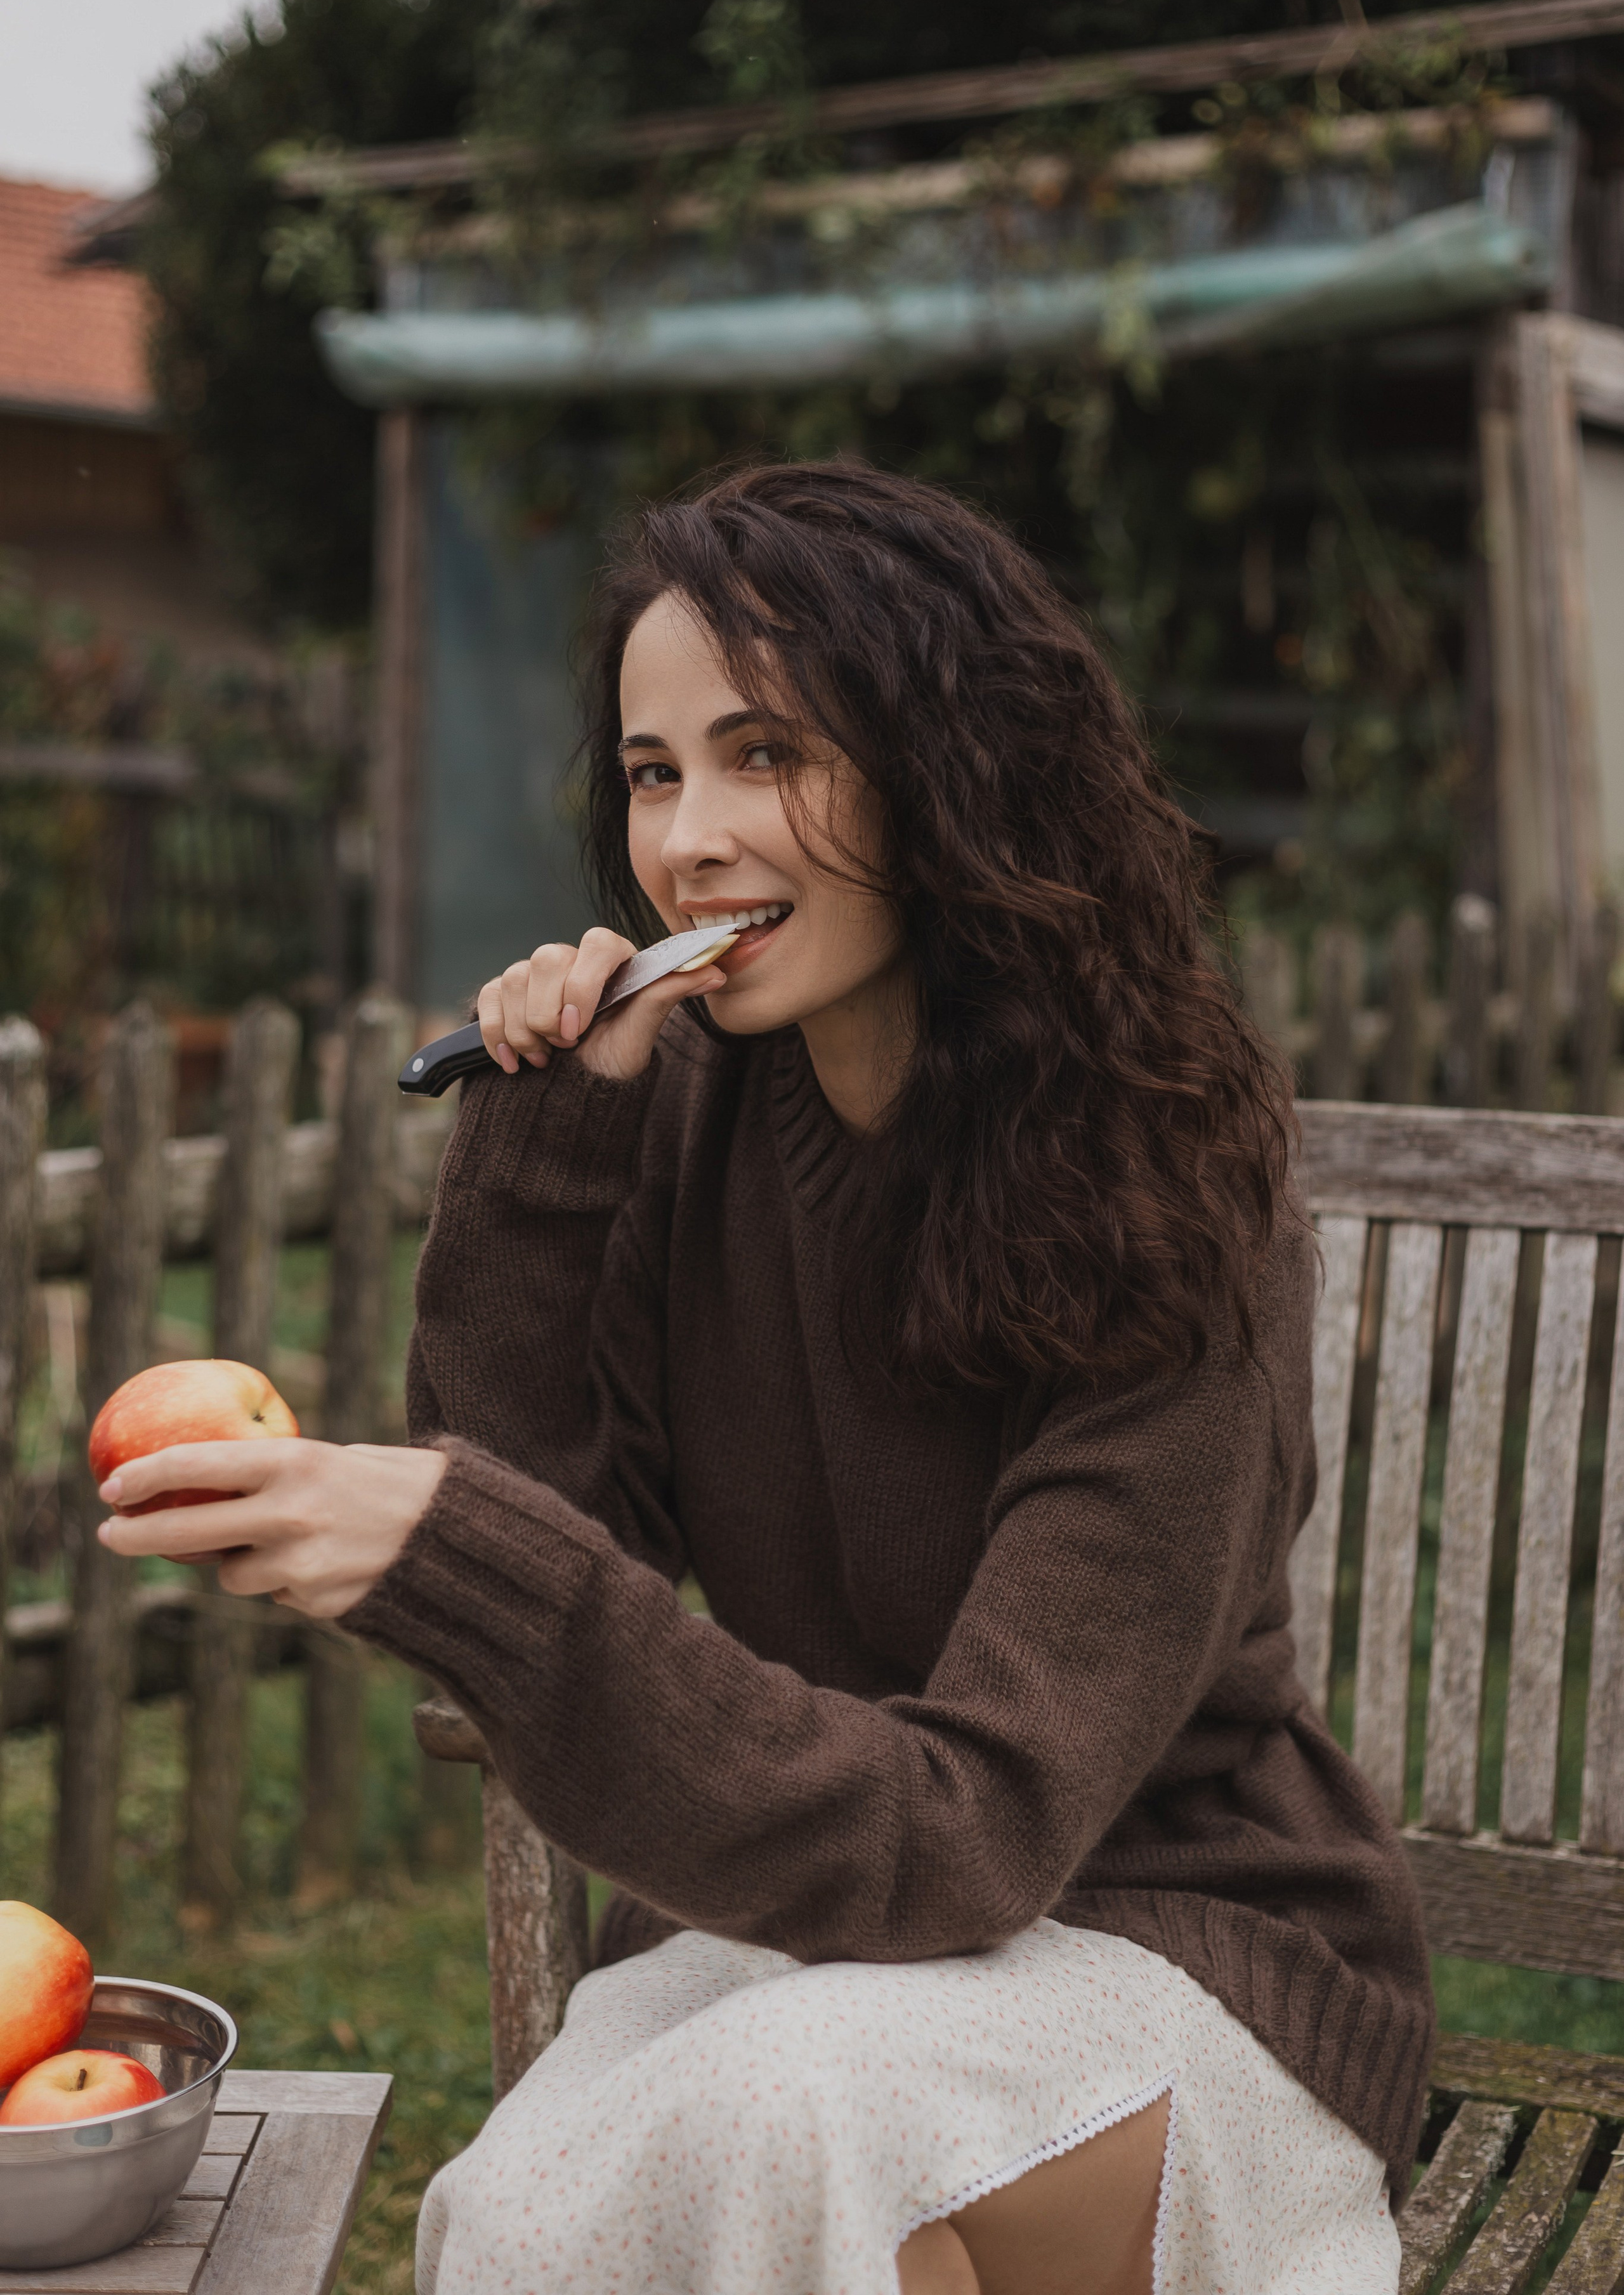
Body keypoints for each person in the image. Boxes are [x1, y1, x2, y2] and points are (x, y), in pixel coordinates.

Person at [99, 462, 1432, 2295]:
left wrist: (461, 1549)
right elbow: (552, 1542)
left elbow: (969, 1835)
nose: (691, 842)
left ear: (948, 773)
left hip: (1167, 1951)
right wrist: (549, 1146)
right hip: (810, 1931)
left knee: (779, 2134)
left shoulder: (1168, 1193)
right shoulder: (691, 1115)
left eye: (769, 756)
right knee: (528, 2216)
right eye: (654, 774)